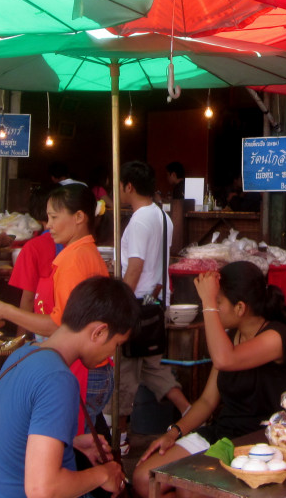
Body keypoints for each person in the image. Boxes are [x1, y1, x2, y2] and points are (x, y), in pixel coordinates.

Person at [132, 261, 286, 497]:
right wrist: (174, 432)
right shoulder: (230, 337)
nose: (213, 308)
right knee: (143, 479)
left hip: (260, 440)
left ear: (240, 308)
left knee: (187, 488)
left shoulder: (278, 337)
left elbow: (224, 359)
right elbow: (207, 401)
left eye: (219, 302)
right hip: (222, 433)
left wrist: (207, 301)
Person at [0, 276, 139, 498]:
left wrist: (68, 443)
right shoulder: (57, 378)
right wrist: (104, 474)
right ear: (99, 332)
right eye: (116, 345)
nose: (113, 354)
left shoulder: (21, 355)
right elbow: (42, 490)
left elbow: (18, 437)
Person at [0, 184, 113, 427]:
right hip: (93, 366)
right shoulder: (86, 252)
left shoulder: (73, 259)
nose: (48, 225)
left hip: (83, 370)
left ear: (79, 217)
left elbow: (60, 325)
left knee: (70, 443)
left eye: (54, 218)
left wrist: (6, 310)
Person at [116, 161, 190, 452]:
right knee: (152, 369)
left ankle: (119, 436)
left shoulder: (139, 220)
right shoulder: (162, 216)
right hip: (155, 304)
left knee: (124, 372)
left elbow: (134, 268)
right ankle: (189, 412)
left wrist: (118, 305)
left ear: (129, 186)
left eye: (119, 185)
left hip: (136, 304)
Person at [6, 186, 57, 336]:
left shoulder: (34, 247)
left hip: (45, 328)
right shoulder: (78, 244)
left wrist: (20, 340)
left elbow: (27, 299)